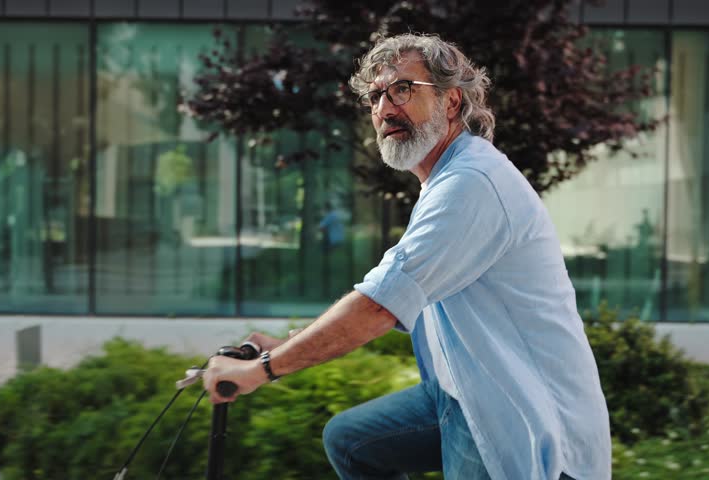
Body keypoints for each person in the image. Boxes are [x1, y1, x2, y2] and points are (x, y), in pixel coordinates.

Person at [203, 33, 610, 480]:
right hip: (459, 394)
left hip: (515, 411)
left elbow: (379, 305)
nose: (384, 108)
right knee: (352, 442)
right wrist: (293, 344)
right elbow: (396, 297)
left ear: (451, 101)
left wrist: (264, 369)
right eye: (376, 96)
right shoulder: (445, 179)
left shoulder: (471, 183)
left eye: (402, 89)